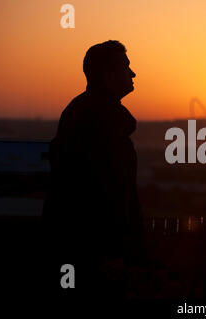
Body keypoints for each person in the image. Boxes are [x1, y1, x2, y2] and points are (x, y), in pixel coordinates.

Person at [41, 40, 143, 304]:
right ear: (109, 76)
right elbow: (106, 190)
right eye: (126, 67)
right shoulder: (100, 121)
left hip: (74, 249)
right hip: (94, 256)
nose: (133, 74)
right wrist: (114, 251)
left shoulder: (79, 112)